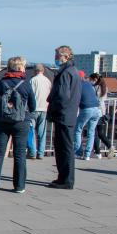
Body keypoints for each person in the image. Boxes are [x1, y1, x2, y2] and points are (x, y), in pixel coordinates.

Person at [0, 57, 37, 193]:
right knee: (19, 153)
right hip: (21, 122)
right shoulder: (26, 84)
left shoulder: (1, 83)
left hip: (2, 121)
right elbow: (33, 105)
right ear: (20, 68)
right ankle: (19, 186)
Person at [47, 45, 82, 189]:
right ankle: (63, 178)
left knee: (64, 148)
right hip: (69, 114)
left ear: (65, 56)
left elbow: (62, 96)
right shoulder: (72, 71)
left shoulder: (66, 73)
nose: (55, 58)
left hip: (63, 114)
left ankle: (66, 180)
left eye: (57, 56)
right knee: (64, 147)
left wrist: (53, 108)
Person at [73, 71, 102, 160]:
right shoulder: (89, 84)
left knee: (78, 130)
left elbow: (75, 98)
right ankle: (87, 155)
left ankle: (78, 152)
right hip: (97, 109)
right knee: (91, 132)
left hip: (87, 109)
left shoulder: (78, 85)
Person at [27, 63, 52, 159]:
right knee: (42, 132)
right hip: (44, 108)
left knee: (31, 131)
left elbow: (30, 94)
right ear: (43, 71)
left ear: (35, 70)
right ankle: (41, 153)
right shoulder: (48, 81)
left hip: (34, 108)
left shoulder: (33, 80)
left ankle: (32, 152)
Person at [89, 73, 115, 159]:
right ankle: (110, 146)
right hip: (102, 112)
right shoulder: (104, 87)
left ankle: (97, 152)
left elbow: (96, 99)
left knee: (95, 133)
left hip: (96, 111)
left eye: (91, 79)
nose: (90, 81)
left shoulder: (95, 88)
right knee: (100, 133)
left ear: (95, 79)